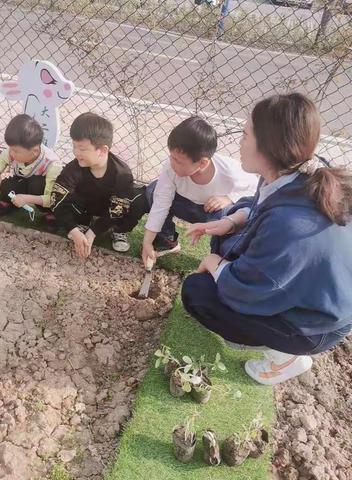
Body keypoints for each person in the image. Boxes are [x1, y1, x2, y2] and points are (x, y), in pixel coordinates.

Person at [182, 93, 352, 385]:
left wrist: (213, 264)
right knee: (223, 231)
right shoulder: (300, 169)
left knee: (198, 293)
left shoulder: (291, 226)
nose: (239, 140)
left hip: (314, 323)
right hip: (316, 290)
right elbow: (261, 206)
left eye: (246, 133)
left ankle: (284, 356)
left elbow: (248, 290)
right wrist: (229, 221)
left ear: (269, 146)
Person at [142, 116, 257, 266]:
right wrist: (147, 242)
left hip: (210, 214)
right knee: (153, 190)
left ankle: (218, 258)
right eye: (171, 156)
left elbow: (255, 188)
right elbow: (161, 202)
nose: (172, 163)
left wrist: (229, 198)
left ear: (202, 163)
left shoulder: (230, 171)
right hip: (184, 205)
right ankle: (167, 241)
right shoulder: (170, 168)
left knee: (229, 212)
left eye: (178, 160)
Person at [50, 112, 147, 258]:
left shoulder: (122, 173)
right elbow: (55, 198)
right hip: (86, 205)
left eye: (82, 149)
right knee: (66, 195)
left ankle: (118, 230)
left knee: (136, 201)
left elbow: (117, 209)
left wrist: (93, 232)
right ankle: (82, 222)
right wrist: (72, 230)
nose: (76, 152)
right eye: (74, 146)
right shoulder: (74, 168)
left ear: (102, 150)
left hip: (109, 207)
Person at [0, 114, 61, 216]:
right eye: (10, 149)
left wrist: (27, 198)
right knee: (6, 184)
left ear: (35, 151)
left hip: (39, 188)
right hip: (21, 180)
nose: (11, 153)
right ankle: (9, 203)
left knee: (37, 185)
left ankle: (49, 213)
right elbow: (1, 159)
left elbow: (52, 197)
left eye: (16, 151)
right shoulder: (14, 151)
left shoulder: (52, 164)